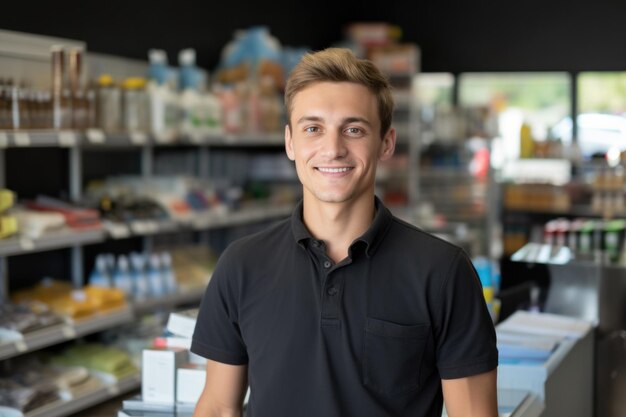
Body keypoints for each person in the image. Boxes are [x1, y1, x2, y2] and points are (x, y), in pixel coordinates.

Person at [191, 47, 498, 417]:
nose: (332, 149)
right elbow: (219, 408)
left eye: (353, 129)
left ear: (386, 143)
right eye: (313, 129)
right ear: (291, 142)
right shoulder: (241, 266)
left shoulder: (443, 272)